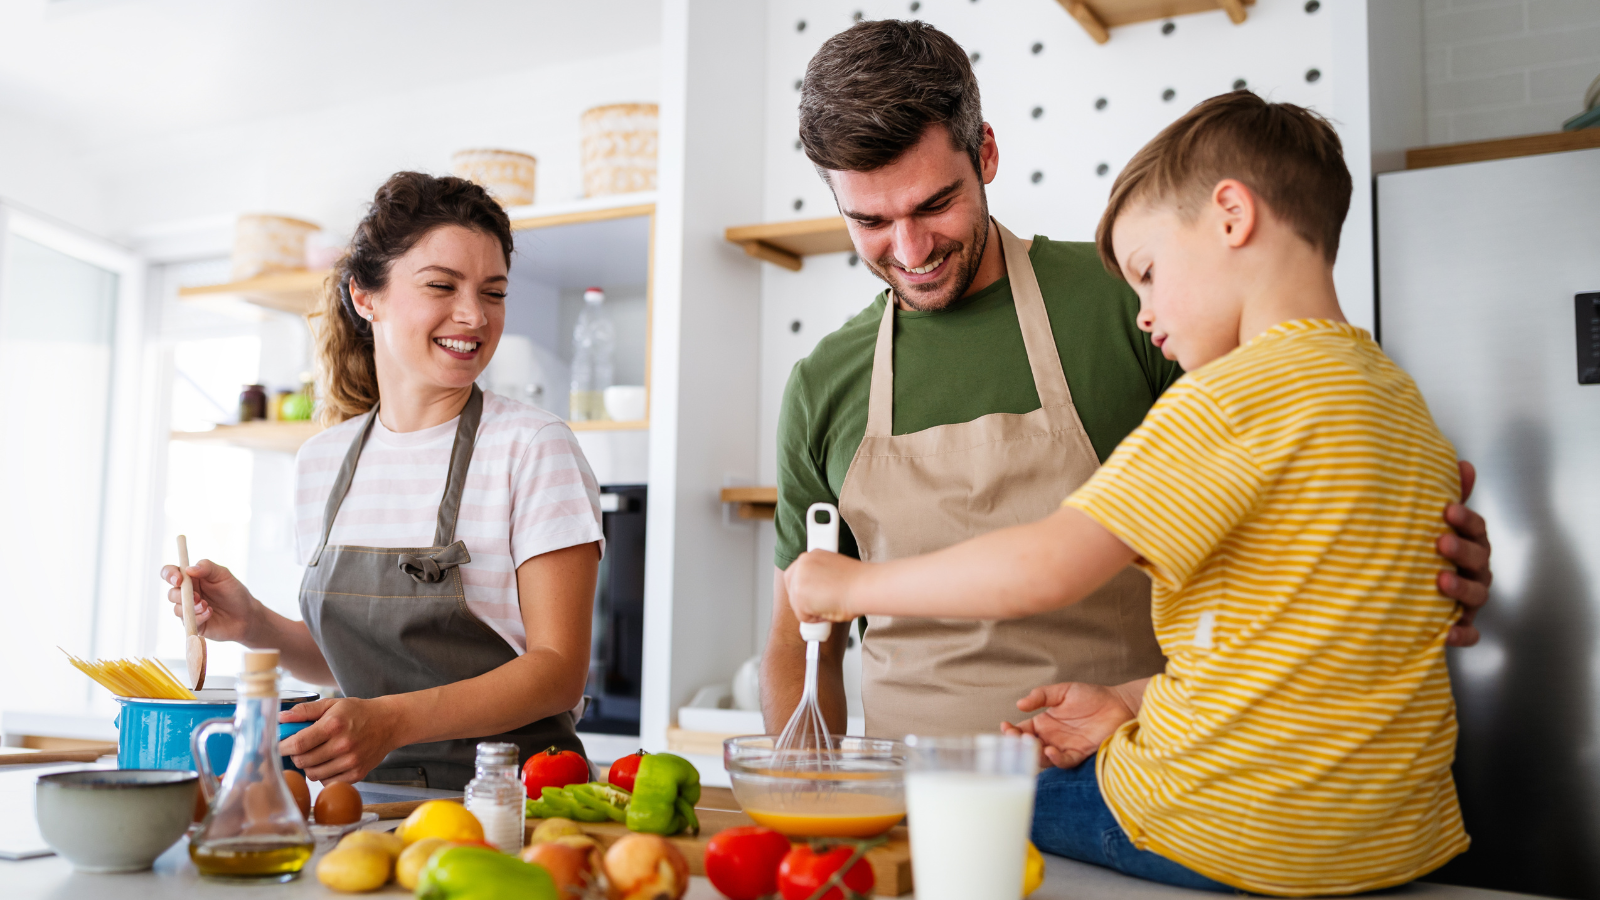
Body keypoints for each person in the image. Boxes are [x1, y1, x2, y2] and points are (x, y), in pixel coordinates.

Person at [785, 92, 1469, 895]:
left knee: (967, 807)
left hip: (1215, 821)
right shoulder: (1399, 398)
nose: (1145, 314)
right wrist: (1130, 702)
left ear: (1230, 216)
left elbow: (1047, 565)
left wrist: (855, 586)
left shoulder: (1218, 395)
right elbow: (1287, 642)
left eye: (1149, 275)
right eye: (870, 221)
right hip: (1390, 837)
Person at [161, 172, 604, 790]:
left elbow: (559, 671)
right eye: (442, 286)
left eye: (494, 292)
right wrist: (255, 624)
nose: (474, 315)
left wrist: (390, 723)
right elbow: (357, 665)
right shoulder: (322, 462)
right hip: (368, 801)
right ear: (366, 298)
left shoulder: (532, 448)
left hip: (512, 801)